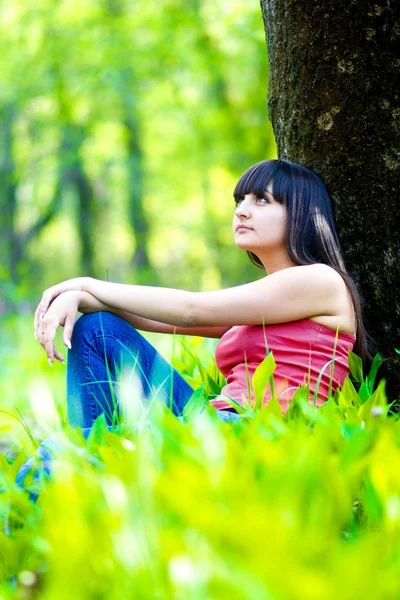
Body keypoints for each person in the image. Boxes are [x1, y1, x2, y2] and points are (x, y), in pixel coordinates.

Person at [17, 159, 371, 498]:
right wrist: (81, 298)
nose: (242, 210)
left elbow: (190, 310)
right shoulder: (272, 299)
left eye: (262, 199)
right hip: (217, 420)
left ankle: (80, 469)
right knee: (96, 329)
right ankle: (89, 466)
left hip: (257, 436)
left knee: (53, 455)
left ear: (302, 214)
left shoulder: (320, 280)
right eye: (240, 200)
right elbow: (163, 320)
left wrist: (84, 283)